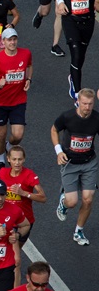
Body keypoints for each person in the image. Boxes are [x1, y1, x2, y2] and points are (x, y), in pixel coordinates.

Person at [52, 87, 99, 246]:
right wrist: (58, 151)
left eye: (90, 104)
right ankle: (63, 201)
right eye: (84, 103)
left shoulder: (96, 118)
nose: (87, 107)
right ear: (78, 101)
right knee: (72, 202)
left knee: (88, 199)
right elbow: (54, 129)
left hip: (89, 163)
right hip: (70, 163)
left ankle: (79, 231)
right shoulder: (68, 117)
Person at [0, 28, 32, 173]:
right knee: (1, 134)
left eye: (14, 39)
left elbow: (29, 66)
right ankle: (0, 159)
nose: (12, 42)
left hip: (18, 100)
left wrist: (28, 79)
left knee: (18, 135)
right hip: (0, 102)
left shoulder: (26, 53)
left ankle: (9, 146)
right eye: (9, 40)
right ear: (3, 42)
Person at [53, 0, 99, 99]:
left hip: (88, 20)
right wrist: (60, 3)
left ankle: (73, 76)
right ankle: (77, 93)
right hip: (70, 20)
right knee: (76, 54)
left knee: (81, 56)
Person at [0, 145, 47, 287]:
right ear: (8, 159)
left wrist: (24, 193)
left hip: (23, 223)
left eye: (20, 159)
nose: (17, 162)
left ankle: (13, 290)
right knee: (13, 258)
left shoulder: (29, 175)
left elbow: (43, 197)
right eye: (14, 159)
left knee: (13, 257)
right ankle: (10, 284)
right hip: (6, 221)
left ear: (24, 159)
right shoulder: (2, 173)